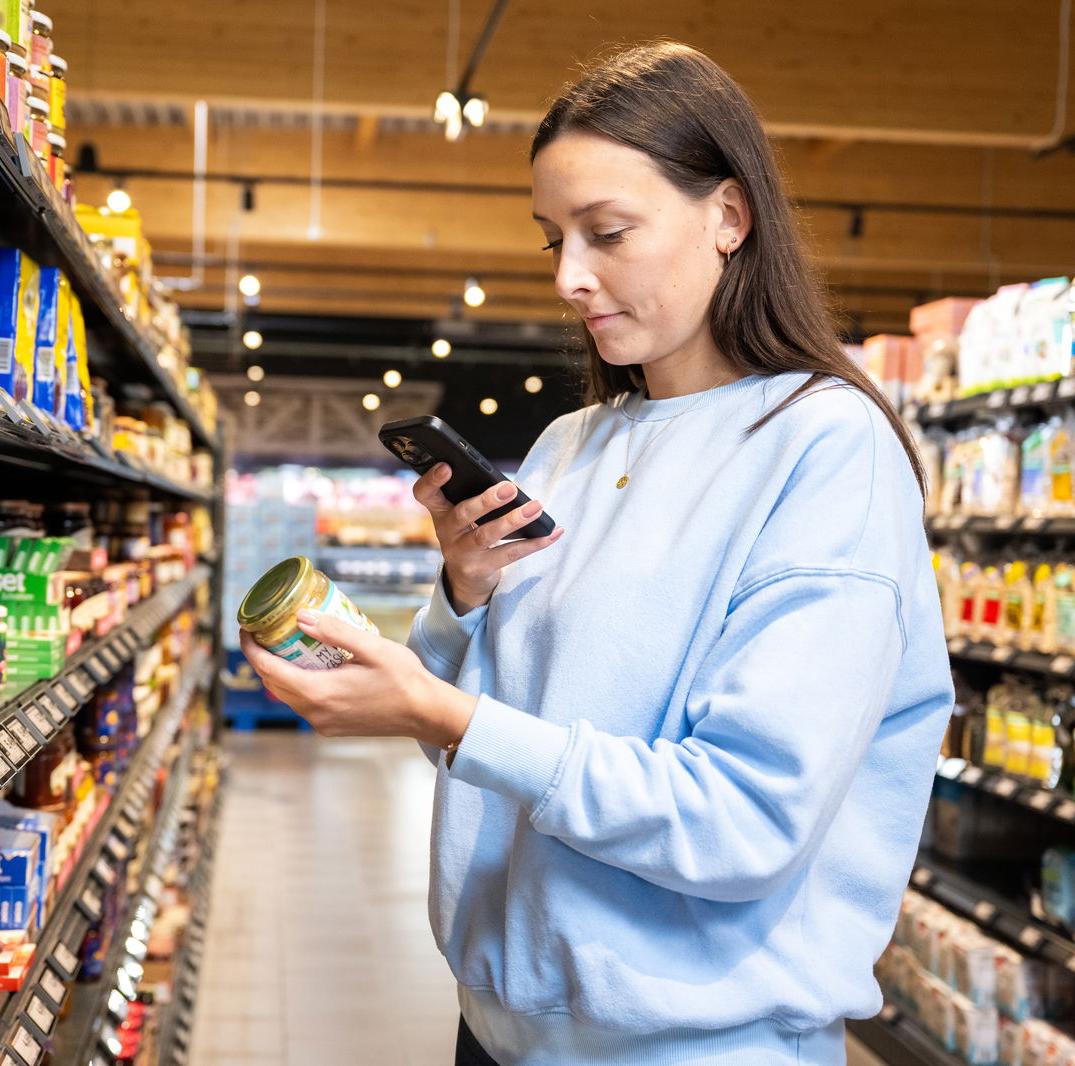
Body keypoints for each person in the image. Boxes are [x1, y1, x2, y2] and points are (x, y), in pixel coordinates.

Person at [239, 40, 953, 1066]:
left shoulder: (824, 449)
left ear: (728, 216)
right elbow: (476, 739)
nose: (572, 277)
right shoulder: (572, 444)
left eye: (608, 233)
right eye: (552, 240)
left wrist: (448, 709)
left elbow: (742, 819)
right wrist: (462, 596)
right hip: (495, 1026)